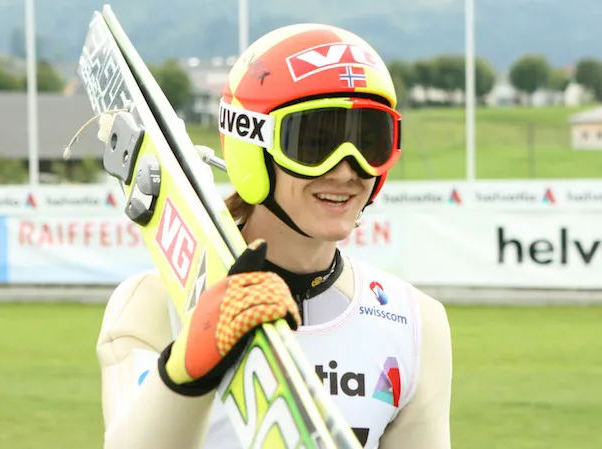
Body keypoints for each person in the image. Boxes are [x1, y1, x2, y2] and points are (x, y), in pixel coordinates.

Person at [96, 23, 453, 449]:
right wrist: (184, 372)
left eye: (369, 142)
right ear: (252, 148)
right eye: (313, 143)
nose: (346, 170)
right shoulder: (156, 302)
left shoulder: (414, 323)